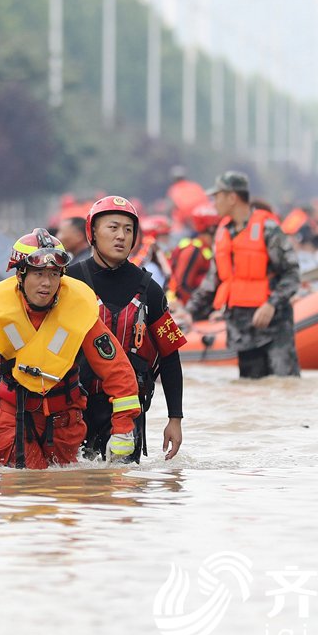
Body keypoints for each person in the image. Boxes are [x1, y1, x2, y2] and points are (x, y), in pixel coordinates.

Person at [0, 230, 142, 468]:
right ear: (20, 274)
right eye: (38, 274)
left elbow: (116, 369)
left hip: (65, 421)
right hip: (15, 416)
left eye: (53, 274)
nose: (47, 283)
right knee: (24, 488)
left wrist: (123, 427)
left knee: (63, 492)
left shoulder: (78, 310)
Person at [69, 196, 186, 462]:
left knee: (124, 490)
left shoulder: (150, 290)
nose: (121, 236)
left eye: (128, 229)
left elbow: (170, 357)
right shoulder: (68, 282)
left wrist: (175, 419)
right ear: (93, 233)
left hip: (128, 412)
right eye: (113, 227)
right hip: (75, 408)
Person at [185, 172, 302, 379]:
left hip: (273, 325)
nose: (214, 202)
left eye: (217, 196)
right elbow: (214, 281)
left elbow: (292, 273)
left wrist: (271, 303)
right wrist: (190, 311)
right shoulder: (223, 233)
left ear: (232, 197)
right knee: (250, 393)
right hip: (241, 328)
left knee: (284, 387)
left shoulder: (268, 229)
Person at [168, 203, 220, 304]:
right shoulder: (193, 250)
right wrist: (194, 308)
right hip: (186, 308)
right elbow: (182, 285)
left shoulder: (207, 248)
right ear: (211, 228)